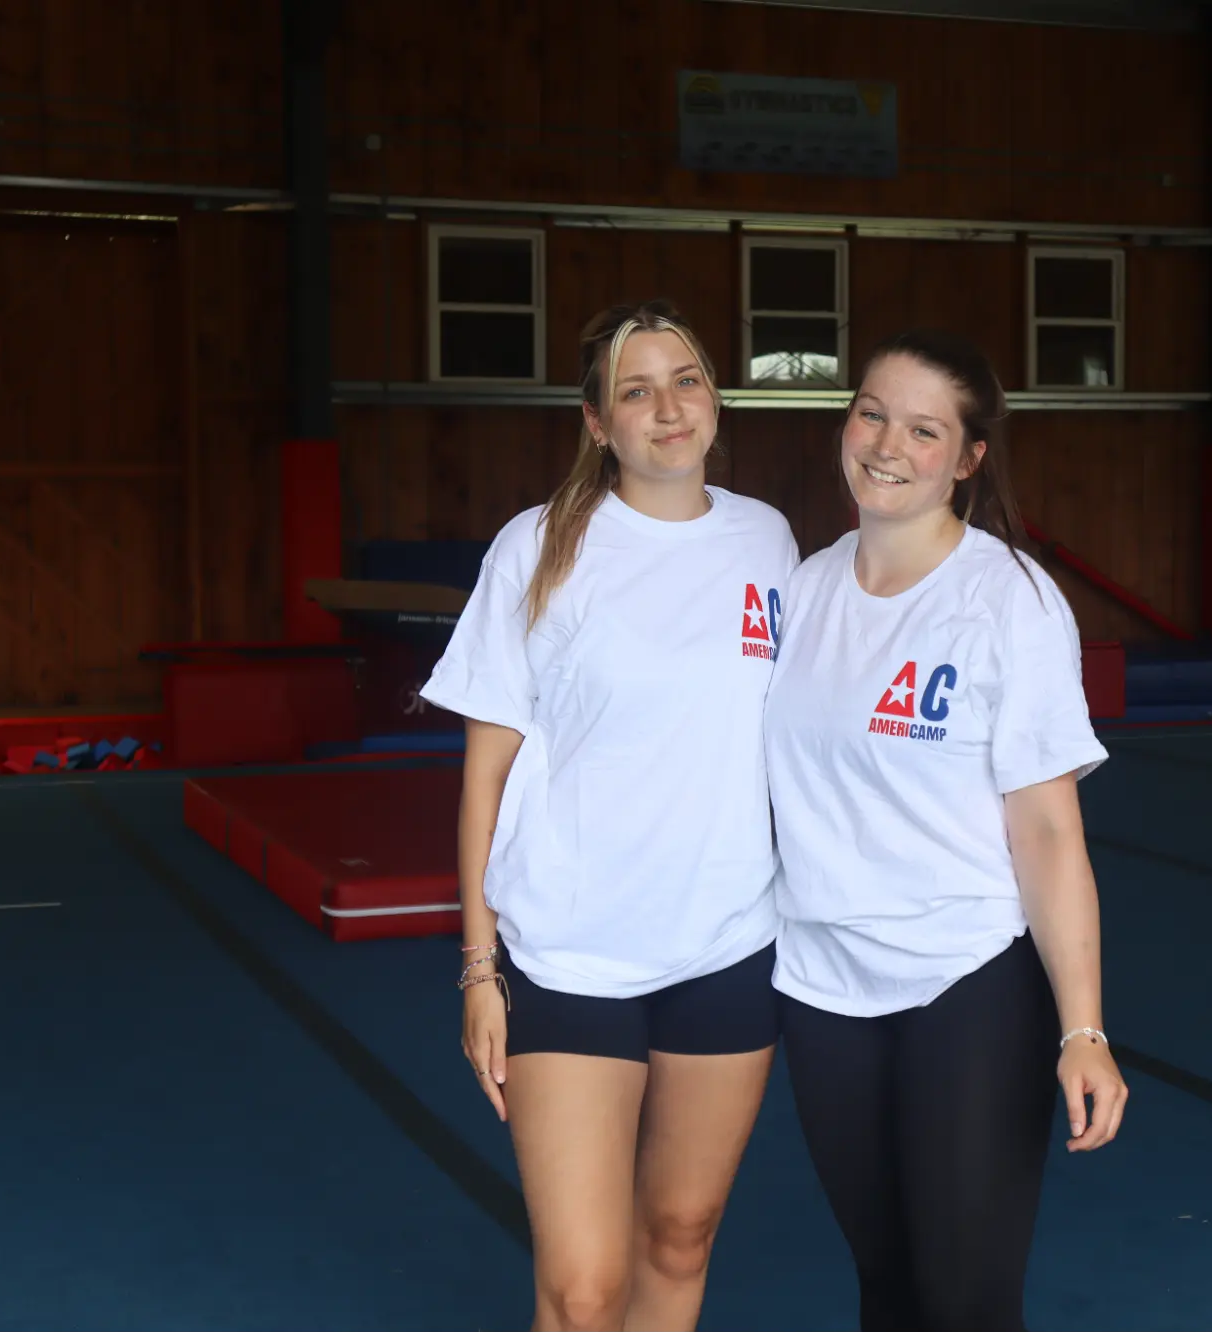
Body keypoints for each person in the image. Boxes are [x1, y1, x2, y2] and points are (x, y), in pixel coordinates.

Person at [419, 300, 799, 1333]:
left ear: (714, 399)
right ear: (596, 423)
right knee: (583, 1290)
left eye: (685, 380)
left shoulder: (766, 539)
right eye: (635, 391)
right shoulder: (541, 546)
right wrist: (479, 964)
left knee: (678, 1234)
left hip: (726, 944)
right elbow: (485, 774)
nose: (667, 408)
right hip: (569, 950)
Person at [762, 330, 1127, 1333]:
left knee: (964, 1299)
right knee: (886, 1286)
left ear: (967, 458)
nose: (887, 444)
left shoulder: (1008, 602)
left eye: (924, 430)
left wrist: (1083, 1029)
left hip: (965, 978)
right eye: (871, 413)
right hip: (823, 985)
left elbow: (1047, 831)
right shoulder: (802, 590)